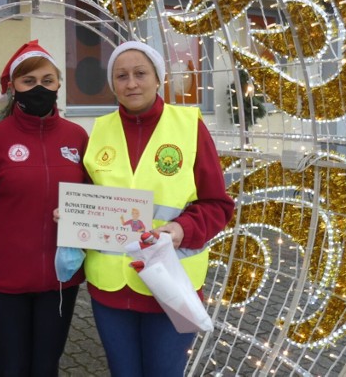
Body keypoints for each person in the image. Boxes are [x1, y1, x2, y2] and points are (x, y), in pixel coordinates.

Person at [82, 41, 235, 376]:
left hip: (171, 282)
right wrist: (73, 215)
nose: (131, 83)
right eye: (121, 76)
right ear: (113, 84)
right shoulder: (99, 130)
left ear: (157, 79)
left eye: (140, 74)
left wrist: (182, 229)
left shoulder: (188, 126)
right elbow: (89, 198)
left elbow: (218, 204)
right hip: (110, 288)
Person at [0, 40, 88, 377]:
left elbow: (91, 196)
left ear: (58, 85)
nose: (39, 88)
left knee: (45, 368)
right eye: (29, 81)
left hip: (60, 279)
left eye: (47, 81)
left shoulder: (77, 137)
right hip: (3, 283)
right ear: (12, 88)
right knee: (11, 369)